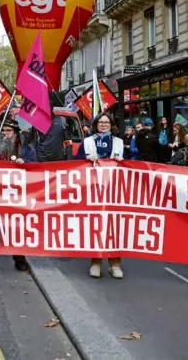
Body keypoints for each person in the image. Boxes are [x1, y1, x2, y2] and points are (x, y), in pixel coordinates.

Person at [0, 117, 33, 272]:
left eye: (8, 131)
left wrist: (26, 162)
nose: (5, 134)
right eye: (3, 131)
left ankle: (19, 259)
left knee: (16, 227)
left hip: (18, 192)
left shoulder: (25, 147)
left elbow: (34, 163)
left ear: (15, 133)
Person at [76, 113, 125, 279]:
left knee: (115, 226)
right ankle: (96, 262)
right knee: (96, 225)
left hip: (114, 189)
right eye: (101, 122)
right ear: (96, 124)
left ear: (111, 124)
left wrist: (123, 160)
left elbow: (132, 162)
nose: (104, 124)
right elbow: (76, 163)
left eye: (107, 122)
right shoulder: (88, 142)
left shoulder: (119, 142)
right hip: (94, 189)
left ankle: (115, 264)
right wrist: (86, 158)